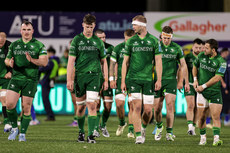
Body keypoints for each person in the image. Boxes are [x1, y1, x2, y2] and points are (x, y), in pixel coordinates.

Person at [67, 14, 108, 144]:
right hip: (80, 76)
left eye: (91, 27)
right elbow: (71, 61)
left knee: (92, 104)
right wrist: (69, 79)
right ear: (82, 25)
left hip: (94, 76)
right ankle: (81, 132)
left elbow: (104, 62)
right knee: (80, 108)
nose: (89, 29)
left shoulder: (98, 42)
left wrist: (106, 79)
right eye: (87, 26)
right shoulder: (77, 40)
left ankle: (90, 135)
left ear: (94, 26)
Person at [121, 15, 162, 144]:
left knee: (149, 110)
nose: (133, 27)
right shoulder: (131, 41)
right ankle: (138, 135)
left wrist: (159, 79)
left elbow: (158, 61)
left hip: (148, 80)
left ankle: (143, 128)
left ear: (142, 25)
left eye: (135, 25)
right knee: (136, 107)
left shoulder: (154, 41)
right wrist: (123, 81)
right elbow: (125, 63)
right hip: (133, 79)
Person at [4, 20, 48, 141]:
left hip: (30, 80)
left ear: (32, 31)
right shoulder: (14, 45)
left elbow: (44, 62)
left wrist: (32, 60)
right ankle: (14, 128)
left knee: (26, 107)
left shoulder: (39, 45)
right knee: (9, 104)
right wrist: (10, 63)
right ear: (20, 31)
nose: (26, 32)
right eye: (24, 29)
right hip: (16, 78)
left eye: (29, 30)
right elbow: (7, 60)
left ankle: (22, 134)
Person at [154, 26, 189, 141]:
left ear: (171, 37)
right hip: (157, 80)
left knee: (169, 105)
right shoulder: (156, 46)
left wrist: (182, 81)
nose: (166, 40)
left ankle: (169, 132)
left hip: (171, 80)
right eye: (164, 37)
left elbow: (183, 65)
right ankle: (159, 126)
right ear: (161, 36)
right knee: (157, 108)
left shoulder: (177, 48)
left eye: (168, 38)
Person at [193, 39, 226, 146]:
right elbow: (195, 66)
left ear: (213, 49)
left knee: (215, 116)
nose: (204, 49)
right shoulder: (201, 56)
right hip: (201, 93)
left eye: (206, 48)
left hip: (214, 92)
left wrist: (203, 86)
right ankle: (203, 138)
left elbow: (217, 78)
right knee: (201, 117)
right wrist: (195, 80)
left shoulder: (221, 62)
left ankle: (216, 139)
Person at [110, 29, 135, 137]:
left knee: (132, 105)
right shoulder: (118, 48)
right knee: (119, 104)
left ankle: (131, 130)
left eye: (130, 40)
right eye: (126, 40)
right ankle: (121, 123)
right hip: (121, 79)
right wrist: (112, 79)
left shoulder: (138, 48)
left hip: (134, 79)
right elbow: (112, 64)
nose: (128, 42)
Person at [94, 29, 114, 138]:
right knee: (96, 105)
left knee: (108, 106)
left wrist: (111, 78)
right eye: (100, 37)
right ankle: (95, 129)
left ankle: (103, 125)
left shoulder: (110, 48)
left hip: (107, 79)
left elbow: (113, 64)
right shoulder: (91, 48)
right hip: (95, 79)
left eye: (104, 37)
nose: (103, 39)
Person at [184, 38, 203, 135]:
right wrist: (185, 82)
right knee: (191, 105)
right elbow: (183, 70)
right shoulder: (188, 57)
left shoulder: (204, 58)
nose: (198, 49)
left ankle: (194, 127)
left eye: (200, 47)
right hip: (190, 83)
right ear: (192, 47)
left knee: (197, 108)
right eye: (196, 47)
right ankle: (190, 127)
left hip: (201, 86)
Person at [39, 46, 60, 121]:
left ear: (51, 53)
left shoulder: (51, 61)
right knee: (46, 98)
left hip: (46, 81)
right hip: (50, 80)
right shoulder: (56, 61)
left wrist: (39, 67)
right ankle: (50, 115)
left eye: (47, 53)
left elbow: (45, 69)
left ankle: (50, 115)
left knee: (45, 99)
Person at [0, 32, 12, 132]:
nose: (1, 39)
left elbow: (16, 61)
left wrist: (11, 72)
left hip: (5, 78)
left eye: (3, 37)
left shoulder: (10, 47)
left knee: (4, 99)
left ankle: (7, 122)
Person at [220, 48, 230, 126]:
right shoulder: (220, 61)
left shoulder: (227, 62)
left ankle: (227, 119)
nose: (227, 54)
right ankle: (219, 119)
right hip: (220, 86)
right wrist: (223, 83)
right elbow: (219, 74)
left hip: (227, 85)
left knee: (228, 104)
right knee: (220, 104)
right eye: (226, 53)